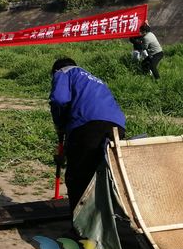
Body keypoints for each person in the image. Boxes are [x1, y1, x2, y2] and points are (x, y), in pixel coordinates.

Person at [49, 58, 126, 213]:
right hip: (117, 125)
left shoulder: (63, 72)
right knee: (104, 174)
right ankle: (105, 219)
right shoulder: (94, 79)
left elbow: (59, 100)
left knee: (77, 176)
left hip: (89, 124)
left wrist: (59, 125)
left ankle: (80, 228)